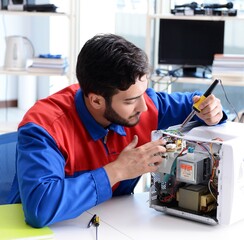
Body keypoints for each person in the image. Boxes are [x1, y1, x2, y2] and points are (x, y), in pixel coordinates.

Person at [8, 33, 227, 228]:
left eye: (143, 93)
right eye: (131, 100)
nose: (143, 106)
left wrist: (213, 111)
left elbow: (195, 103)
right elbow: (39, 209)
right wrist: (117, 171)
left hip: (113, 224)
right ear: (96, 100)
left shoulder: (145, 105)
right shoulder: (44, 127)